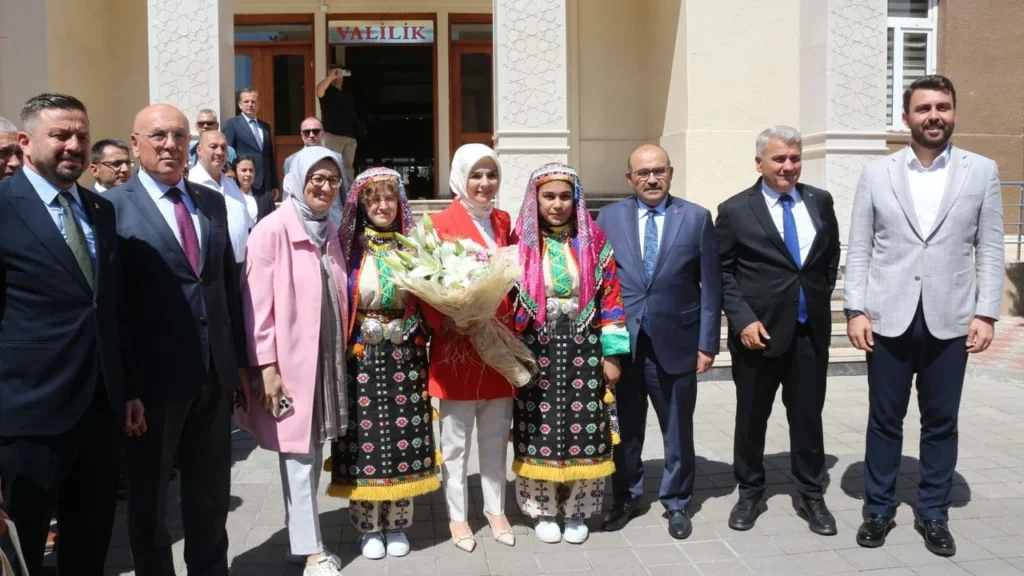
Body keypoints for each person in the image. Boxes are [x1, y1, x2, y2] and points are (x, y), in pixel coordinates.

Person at [845, 75, 1004, 557]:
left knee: (941, 420)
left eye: (943, 107)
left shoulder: (982, 171)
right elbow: (859, 247)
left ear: (953, 112)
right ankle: (878, 508)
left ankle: (934, 512)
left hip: (951, 318)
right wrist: (855, 308)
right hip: (887, 316)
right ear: (906, 117)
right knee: (884, 419)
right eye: (924, 108)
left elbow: (991, 248)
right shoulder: (877, 173)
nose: (934, 116)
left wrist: (987, 313)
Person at [0, 93, 141, 576]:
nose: (74, 145)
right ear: (25, 141)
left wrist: (128, 390)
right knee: (22, 548)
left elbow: (109, 308)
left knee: (90, 542)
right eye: (60, 135)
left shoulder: (99, 210)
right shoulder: (3, 206)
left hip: (99, 412)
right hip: (27, 416)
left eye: (82, 135)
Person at [106, 103, 249, 576]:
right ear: (135, 143)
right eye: (159, 136)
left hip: (213, 376)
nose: (171, 145)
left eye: (180, 136)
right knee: (150, 504)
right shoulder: (110, 208)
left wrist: (241, 366)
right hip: (152, 386)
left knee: (209, 499)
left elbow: (226, 288)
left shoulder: (209, 203)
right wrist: (126, 385)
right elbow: (112, 307)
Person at [716, 126, 841, 535]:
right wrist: (743, 319)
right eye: (779, 159)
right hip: (759, 335)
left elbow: (827, 259)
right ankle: (750, 491)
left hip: (809, 332)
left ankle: (811, 494)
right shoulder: (735, 210)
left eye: (794, 158)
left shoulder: (820, 202)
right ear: (760, 163)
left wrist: (815, 300)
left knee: (808, 417)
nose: (788, 166)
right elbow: (723, 272)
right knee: (752, 418)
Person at [597, 144, 721, 540]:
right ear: (629, 178)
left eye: (659, 171)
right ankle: (626, 498)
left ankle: (678, 502)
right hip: (623, 346)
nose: (652, 179)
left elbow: (711, 287)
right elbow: (599, 282)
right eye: (643, 172)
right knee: (626, 430)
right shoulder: (608, 217)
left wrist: (707, 343)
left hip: (677, 342)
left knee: (677, 428)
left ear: (670, 172)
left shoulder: (697, 218)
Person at [241, 146, 348, 576]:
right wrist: (266, 367)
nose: (324, 187)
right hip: (288, 367)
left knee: (309, 450)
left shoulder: (332, 227)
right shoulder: (271, 230)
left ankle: (299, 539)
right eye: (316, 178)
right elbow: (255, 307)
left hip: (326, 360)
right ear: (297, 179)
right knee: (298, 456)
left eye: (333, 179)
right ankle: (310, 553)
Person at [511, 163, 629, 545]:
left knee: (588, 428)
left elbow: (611, 299)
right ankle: (543, 508)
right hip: (536, 350)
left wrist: (612, 356)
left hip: (585, 348)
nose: (558, 204)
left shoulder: (594, 241)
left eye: (565, 196)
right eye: (549, 196)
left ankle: (579, 510)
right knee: (536, 426)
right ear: (536, 199)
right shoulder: (522, 244)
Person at [328, 167, 439, 559]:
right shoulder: (346, 248)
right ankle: (367, 526)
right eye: (373, 198)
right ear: (360, 204)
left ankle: (398, 523)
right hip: (361, 357)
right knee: (364, 441)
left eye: (389, 197)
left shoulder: (414, 247)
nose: (382, 205)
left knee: (404, 437)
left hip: (406, 356)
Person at [421, 143, 516, 552]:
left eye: (490, 174)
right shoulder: (439, 223)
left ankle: (496, 509)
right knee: (456, 441)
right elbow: (424, 286)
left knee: (496, 434)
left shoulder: (502, 220)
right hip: (457, 346)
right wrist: (454, 318)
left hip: (497, 345)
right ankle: (458, 516)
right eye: (476, 174)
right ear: (461, 176)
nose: (484, 183)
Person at [189, 130, 255, 266]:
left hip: (239, 267)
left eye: (223, 147)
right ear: (199, 150)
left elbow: (246, 224)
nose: (220, 152)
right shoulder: (189, 184)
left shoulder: (232, 185)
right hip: (208, 269)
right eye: (213, 146)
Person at [223, 88, 278, 220]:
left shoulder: (265, 127)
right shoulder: (232, 124)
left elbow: (269, 156)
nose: (250, 104)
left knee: (264, 220)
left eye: (253, 101)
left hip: (264, 184)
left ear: (258, 104)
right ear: (239, 104)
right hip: (244, 183)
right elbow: (227, 154)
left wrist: (275, 184)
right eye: (246, 101)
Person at [316, 68, 363, 186]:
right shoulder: (327, 91)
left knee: (348, 167)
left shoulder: (347, 92)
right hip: (333, 135)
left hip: (350, 136)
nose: (338, 76)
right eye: (335, 73)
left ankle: (348, 195)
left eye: (339, 73)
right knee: (333, 164)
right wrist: (330, 77)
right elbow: (318, 90)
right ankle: (334, 194)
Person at [233, 155, 260, 226]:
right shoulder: (230, 195)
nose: (248, 174)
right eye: (244, 170)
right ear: (235, 172)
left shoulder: (264, 197)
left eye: (251, 170)